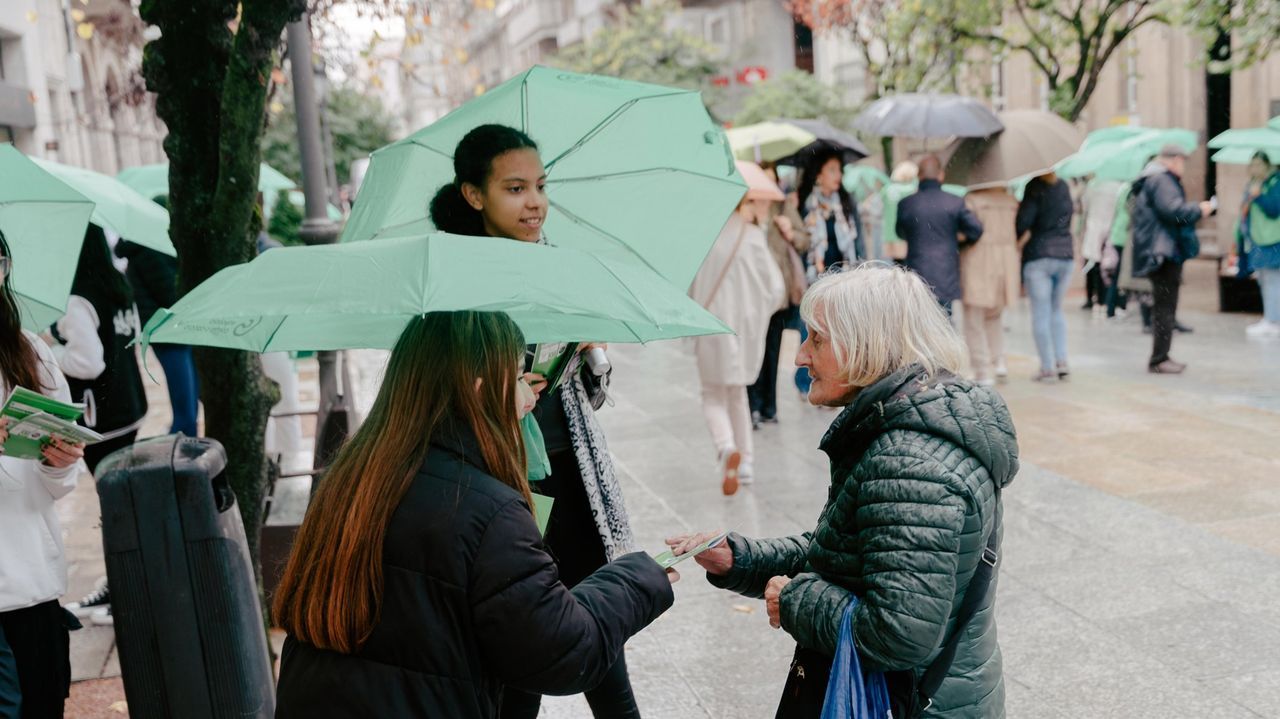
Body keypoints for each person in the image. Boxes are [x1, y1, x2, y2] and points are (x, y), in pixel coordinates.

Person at [273, 311, 674, 718]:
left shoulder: (348, 476)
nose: (532, 396)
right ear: (479, 391)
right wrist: (638, 579)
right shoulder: (490, 510)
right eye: (519, 378)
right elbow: (561, 652)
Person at [668, 265, 1016, 718]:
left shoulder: (909, 463)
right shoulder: (905, 428)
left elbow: (898, 633)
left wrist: (793, 600)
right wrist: (742, 559)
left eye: (816, 339)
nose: (799, 357)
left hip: (911, 702)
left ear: (866, 345)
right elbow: (854, 552)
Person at [427, 124, 641, 719]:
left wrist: (593, 353)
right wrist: (500, 396)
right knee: (516, 642)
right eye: (515, 188)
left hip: (570, 479)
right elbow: (437, 396)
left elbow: (583, 396)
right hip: (500, 487)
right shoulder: (453, 278)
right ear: (474, 195)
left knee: (598, 626)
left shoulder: (559, 266)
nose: (535, 203)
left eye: (540, 186)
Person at [0, 229, 88, 719]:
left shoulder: (28, 350)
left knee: (43, 703)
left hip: (31, 578)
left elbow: (56, 484)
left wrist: (59, 462)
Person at [49, 225, 148, 628]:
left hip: (100, 417)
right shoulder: (117, 283)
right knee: (121, 499)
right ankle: (128, 582)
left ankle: (123, 589)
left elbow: (89, 363)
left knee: (114, 503)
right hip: (130, 406)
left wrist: (49, 347)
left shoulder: (77, 296)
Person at [690, 163, 785, 494]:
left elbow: (688, 286)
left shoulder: (700, 236)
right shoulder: (753, 234)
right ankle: (746, 464)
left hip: (709, 324)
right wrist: (755, 314)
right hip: (743, 329)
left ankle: (726, 445)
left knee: (712, 393)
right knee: (737, 393)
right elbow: (775, 288)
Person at [1130, 145, 1213, 374]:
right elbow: (1173, 210)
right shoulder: (1162, 180)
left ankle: (1160, 357)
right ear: (1175, 160)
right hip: (1164, 252)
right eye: (1183, 161)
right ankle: (1159, 359)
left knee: (1164, 307)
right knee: (1165, 308)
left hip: (1160, 250)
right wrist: (1199, 209)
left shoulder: (1153, 178)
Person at [749, 163, 810, 427]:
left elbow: (804, 239)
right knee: (753, 350)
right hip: (751, 293)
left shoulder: (783, 207)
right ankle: (751, 405)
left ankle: (769, 407)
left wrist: (790, 231)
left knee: (772, 349)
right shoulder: (746, 209)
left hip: (778, 293)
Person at [896, 155, 984, 314]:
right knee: (944, 322)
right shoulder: (954, 202)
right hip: (946, 272)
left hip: (916, 272)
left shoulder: (906, 204)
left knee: (918, 323)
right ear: (941, 175)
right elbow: (976, 230)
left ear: (919, 176)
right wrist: (959, 241)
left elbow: (900, 232)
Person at [1016, 172, 1076, 382]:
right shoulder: (1064, 186)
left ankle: (1047, 367)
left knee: (1041, 313)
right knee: (1056, 310)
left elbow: (1024, 221)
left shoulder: (1034, 186)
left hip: (1039, 255)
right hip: (1065, 255)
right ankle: (1062, 361)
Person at [960, 187, 1020, 385]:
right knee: (995, 316)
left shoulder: (973, 200)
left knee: (974, 319)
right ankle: (999, 361)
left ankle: (981, 370)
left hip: (978, 259)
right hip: (1006, 260)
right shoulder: (1010, 200)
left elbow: (965, 232)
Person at [798, 148, 866, 274]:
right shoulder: (808, 205)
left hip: (846, 273)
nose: (838, 175)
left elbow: (858, 241)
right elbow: (803, 247)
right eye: (832, 170)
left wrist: (862, 268)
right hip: (817, 275)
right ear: (819, 175)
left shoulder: (846, 202)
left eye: (839, 170)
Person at [1238, 151, 1280, 338]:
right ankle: (1269, 317)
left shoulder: (1275, 182)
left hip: (1273, 239)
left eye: (1257, 164)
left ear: (1267, 164)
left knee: (1272, 280)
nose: (1253, 168)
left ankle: (1273, 321)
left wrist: (1258, 196)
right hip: (1259, 239)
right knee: (1264, 278)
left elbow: (1274, 208)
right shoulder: (1258, 183)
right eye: (1251, 164)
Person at [1080, 178, 1125, 314]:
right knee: (1108, 267)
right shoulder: (1120, 187)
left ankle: (1092, 298)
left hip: (1094, 227)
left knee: (1092, 264)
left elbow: (1085, 207)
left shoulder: (1092, 185)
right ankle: (1105, 299)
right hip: (1111, 229)